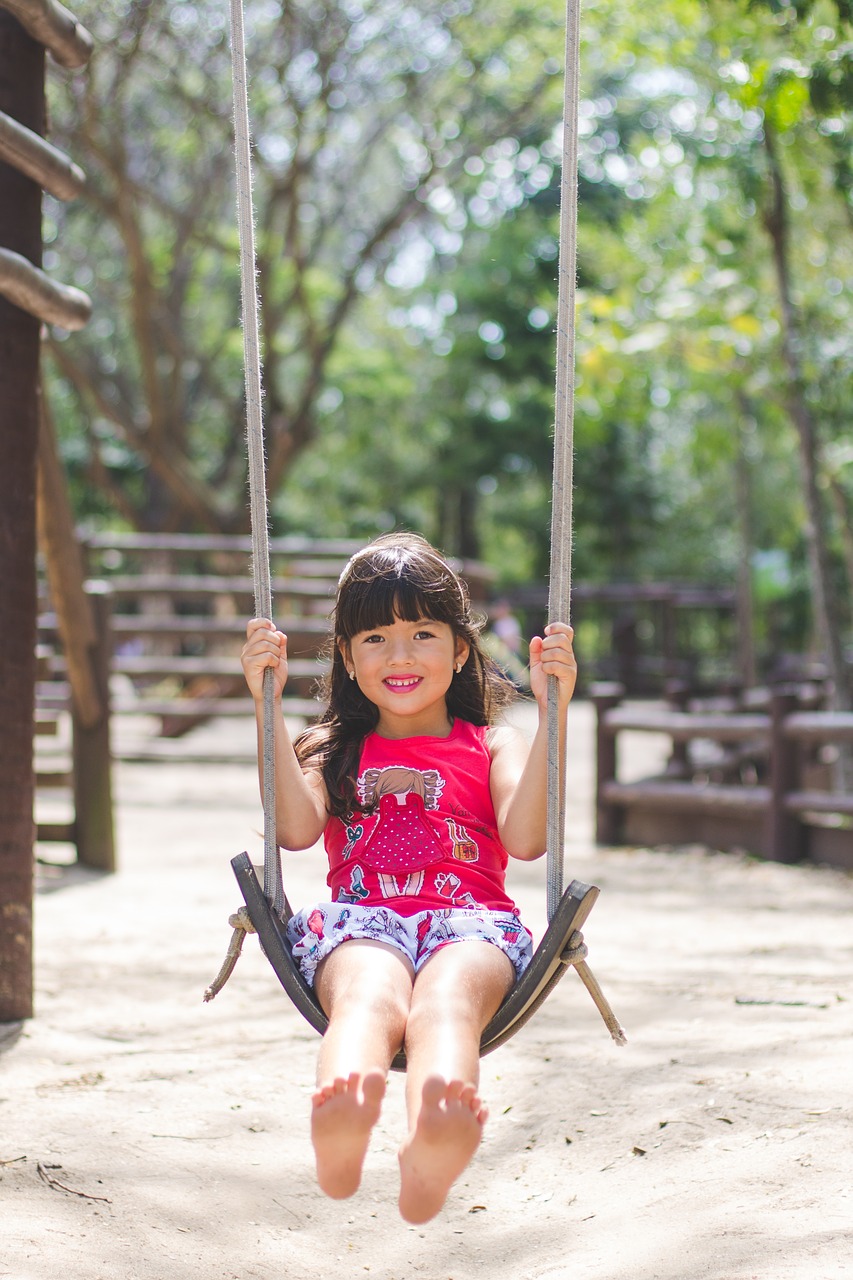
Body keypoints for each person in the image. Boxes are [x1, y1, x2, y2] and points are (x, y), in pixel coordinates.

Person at [240, 532, 576, 1223]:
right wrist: (264, 704)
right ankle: (344, 1107)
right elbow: (296, 829)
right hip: (361, 921)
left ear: (459, 650)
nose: (399, 655)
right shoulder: (332, 747)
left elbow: (526, 839)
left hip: (471, 924)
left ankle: (439, 1127)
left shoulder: (490, 744)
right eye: (374, 638)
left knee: (446, 1000)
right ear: (346, 657)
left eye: (422, 632)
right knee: (367, 992)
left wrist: (552, 716)